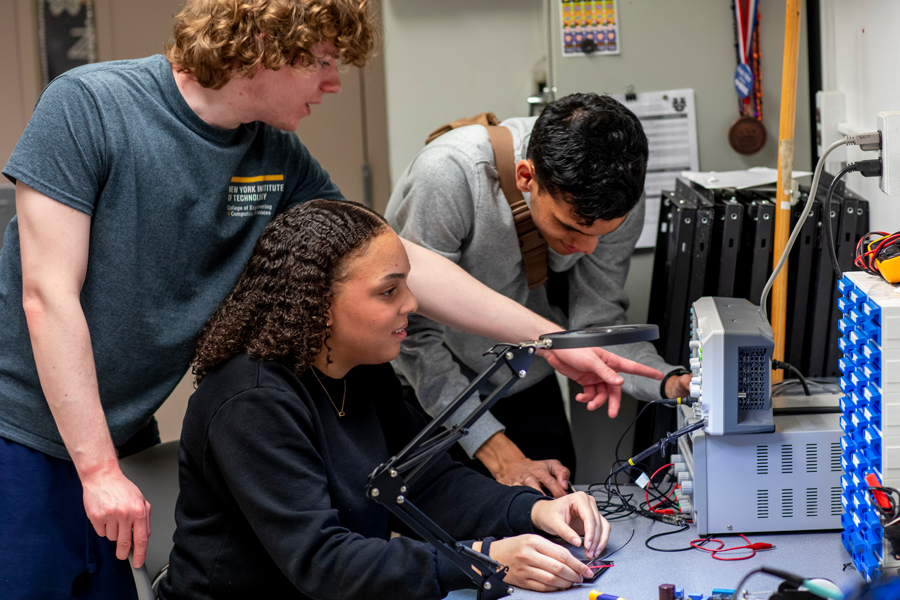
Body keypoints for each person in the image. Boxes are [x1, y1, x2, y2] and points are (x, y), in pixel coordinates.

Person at [0, 2, 658, 598]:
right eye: (320, 62)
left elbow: (389, 258)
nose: (335, 82)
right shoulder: (89, 105)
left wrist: (549, 344)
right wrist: (96, 470)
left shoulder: (273, 153)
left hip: (116, 429)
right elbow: (46, 295)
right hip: (23, 430)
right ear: (260, 45)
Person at [158, 199, 610, 599]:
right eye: (389, 290)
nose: (412, 303)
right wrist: (484, 557)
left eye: (407, 285)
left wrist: (533, 510)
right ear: (318, 303)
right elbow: (323, 564)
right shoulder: (251, 403)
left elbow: (429, 484)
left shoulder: (364, 372)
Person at [386, 93, 692, 498]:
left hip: (525, 377)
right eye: (573, 228)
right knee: (458, 540)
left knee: (563, 525)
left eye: (603, 233)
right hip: (433, 387)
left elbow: (596, 322)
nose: (588, 249)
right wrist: (498, 453)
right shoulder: (448, 176)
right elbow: (412, 335)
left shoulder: (615, 200)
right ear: (526, 177)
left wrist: (669, 382)